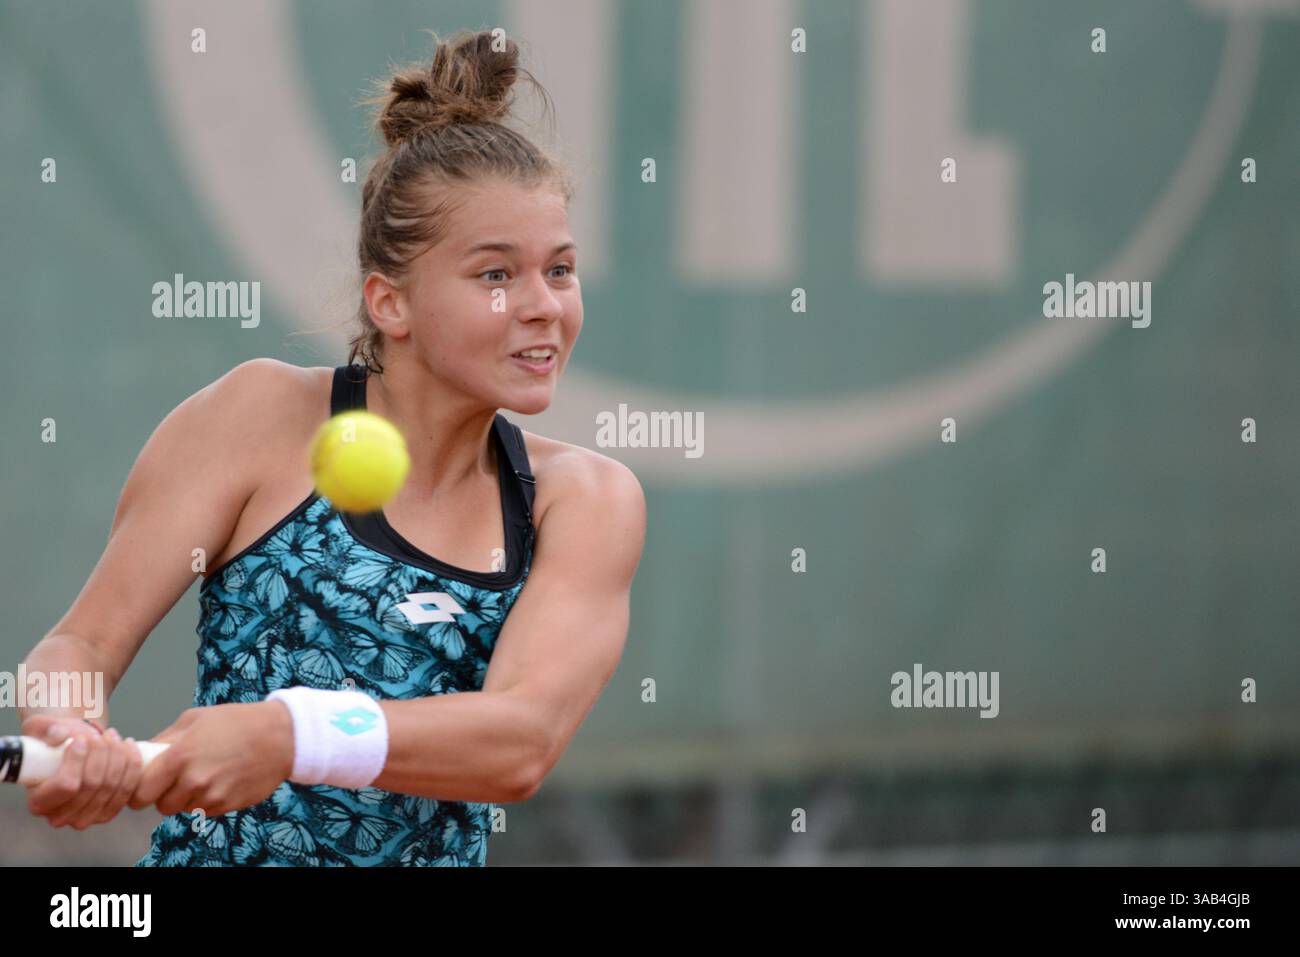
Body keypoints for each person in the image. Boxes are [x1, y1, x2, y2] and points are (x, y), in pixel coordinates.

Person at [18, 28, 645, 866]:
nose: (544, 306)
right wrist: (67, 726)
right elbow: (79, 647)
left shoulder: (584, 499)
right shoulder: (258, 415)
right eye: (496, 275)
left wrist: (289, 734)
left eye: (559, 270)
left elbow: (520, 741)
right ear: (390, 302)